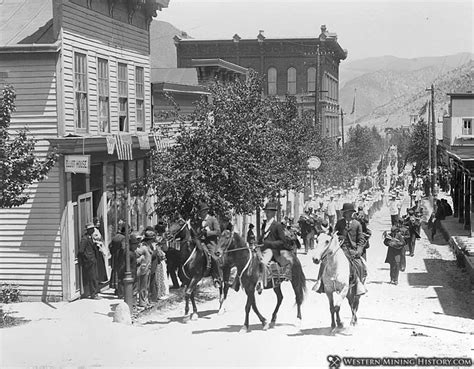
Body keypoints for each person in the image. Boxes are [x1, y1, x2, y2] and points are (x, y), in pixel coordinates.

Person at [314, 203, 367, 295]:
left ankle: (359, 284)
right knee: (324, 262)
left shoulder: (357, 224)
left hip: (352, 250)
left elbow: (361, 239)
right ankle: (320, 283)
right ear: (344, 213)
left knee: (359, 265)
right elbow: (333, 234)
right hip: (339, 248)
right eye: (347, 212)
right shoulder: (339, 223)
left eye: (351, 212)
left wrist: (359, 250)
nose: (349, 214)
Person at [257, 201, 293, 293]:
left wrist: (269, 244)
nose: (267, 213)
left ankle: (261, 283)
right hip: (263, 248)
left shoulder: (277, 225)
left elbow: (282, 241)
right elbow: (262, 238)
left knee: (263, 262)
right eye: (266, 211)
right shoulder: (264, 224)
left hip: (273, 250)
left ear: (273, 213)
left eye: (269, 211)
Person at [196, 202, 222, 288]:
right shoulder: (199, 221)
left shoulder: (212, 219)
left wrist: (207, 233)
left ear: (206, 211)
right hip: (201, 242)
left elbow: (218, 232)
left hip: (211, 243)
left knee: (214, 258)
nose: (201, 214)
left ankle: (217, 278)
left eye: (203, 212)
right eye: (200, 212)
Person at [78, 222, 100, 299]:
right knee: (92, 277)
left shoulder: (90, 237)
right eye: (92, 229)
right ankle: (93, 294)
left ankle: (93, 293)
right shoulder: (85, 239)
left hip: (92, 260)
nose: (93, 230)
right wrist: (86, 258)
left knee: (94, 276)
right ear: (89, 230)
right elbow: (81, 251)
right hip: (89, 261)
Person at [136, 230, 152, 308]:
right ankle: (142, 302)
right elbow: (137, 253)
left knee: (146, 286)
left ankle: (145, 300)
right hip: (144, 269)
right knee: (143, 286)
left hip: (148, 268)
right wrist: (141, 259)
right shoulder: (144, 247)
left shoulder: (148, 246)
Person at [154, 221, 169, 300]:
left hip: (154, 258)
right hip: (161, 258)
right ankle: (163, 292)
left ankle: (157, 292)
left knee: (156, 276)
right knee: (163, 275)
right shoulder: (162, 239)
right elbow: (165, 249)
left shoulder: (154, 238)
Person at [109, 225, 126, 293]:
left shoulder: (115, 237)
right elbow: (123, 248)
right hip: (121, 257)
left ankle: (116, 289)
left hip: (114, 257)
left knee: (115, 271)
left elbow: (110, 246)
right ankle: (120, 290)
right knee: (121, 272)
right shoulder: (123, 238)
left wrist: (113, 252)